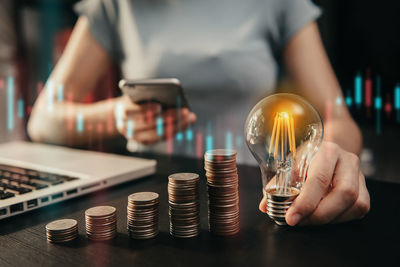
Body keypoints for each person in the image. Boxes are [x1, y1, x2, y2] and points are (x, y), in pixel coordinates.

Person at [27, 0, 370, 226]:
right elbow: (42, 121)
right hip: (153, 206)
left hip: (250, 203)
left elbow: (339, 119)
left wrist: (324, 158)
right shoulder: (117, 4)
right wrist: (115, 117)